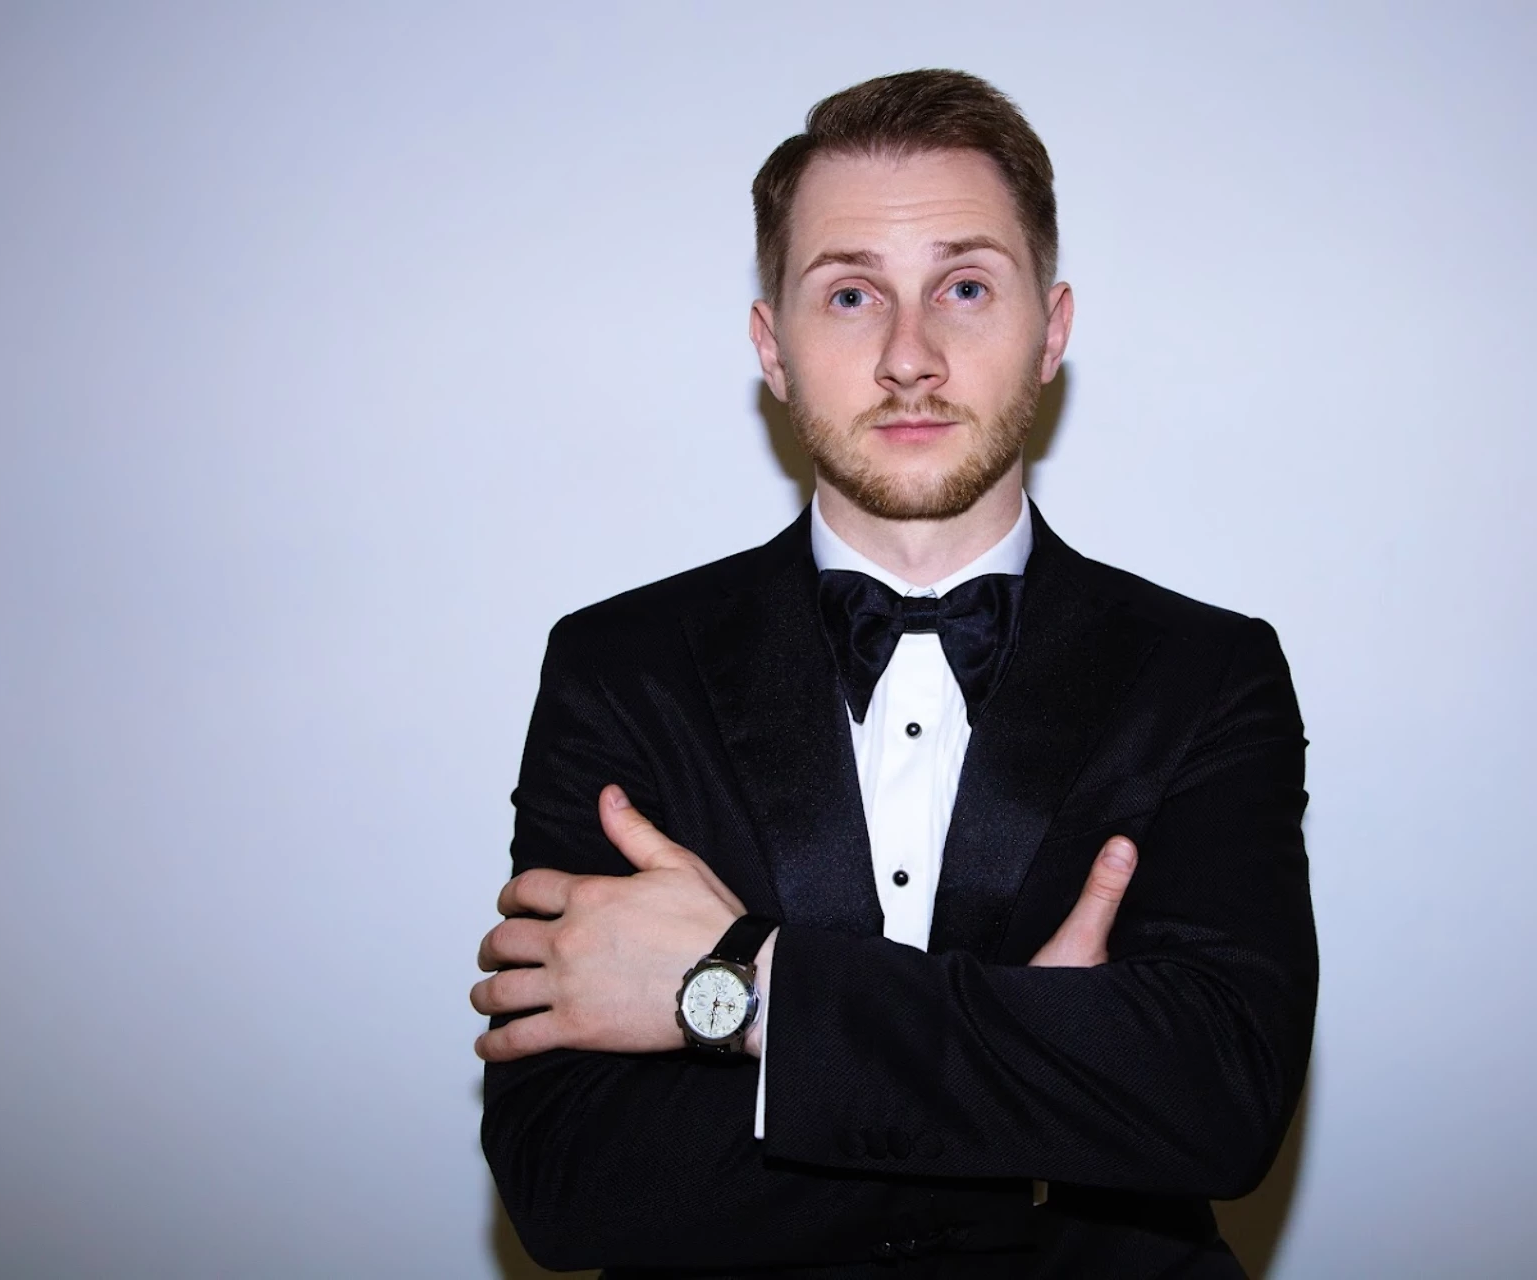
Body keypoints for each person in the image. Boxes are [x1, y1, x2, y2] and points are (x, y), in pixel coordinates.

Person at [472, 69, 1317, 1278]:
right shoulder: (618, 668)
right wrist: (1043, 1107)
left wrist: (744, 985)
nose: (909, 357)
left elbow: (1217, 1099)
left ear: (1051, 331)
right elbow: (567, 1178)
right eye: (851, 293)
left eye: (964, 287)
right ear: (771, 347)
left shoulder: (1209, 673)